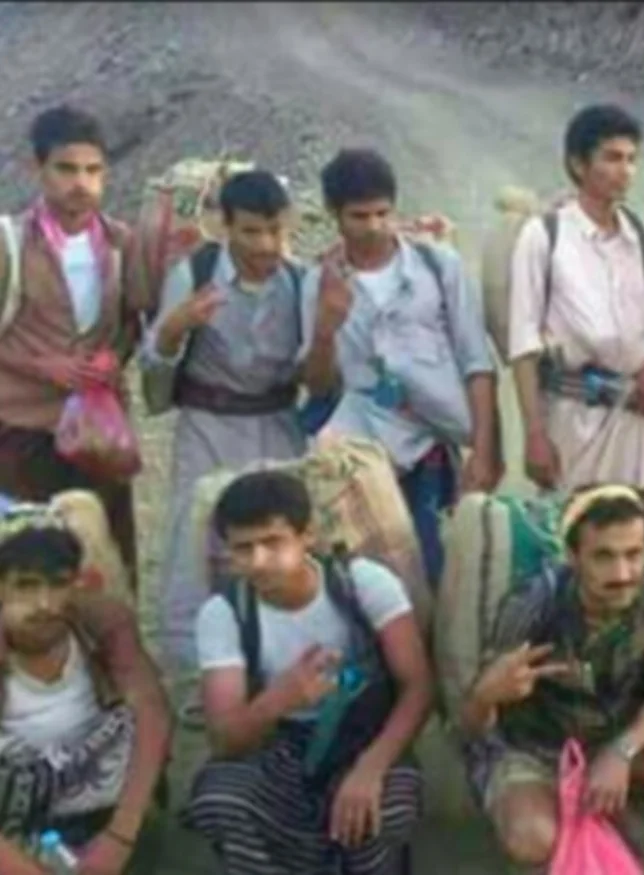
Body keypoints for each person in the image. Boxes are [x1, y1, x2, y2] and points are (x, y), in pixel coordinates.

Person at [182, 471, 432, 875]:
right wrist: (280, 700)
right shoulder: (224, 613)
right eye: (243, 548)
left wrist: (370, 768)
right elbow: (224, 738)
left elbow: (418, 687)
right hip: (278, 745)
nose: (259, 561)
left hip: (364, 735)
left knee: (386, 808)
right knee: (219, 801)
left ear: (307, 536)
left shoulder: (362, 583)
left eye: (272, 542)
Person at [460, 484, 644, 868]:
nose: (622, 573)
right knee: (532, 840)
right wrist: (487, 696)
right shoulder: (533, 604)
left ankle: (600, 799)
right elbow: (473, 725)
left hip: (605, 738)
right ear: (573, 556)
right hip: (531, 748)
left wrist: (620, 753)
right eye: (604, 557)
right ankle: (570, 803)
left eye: (633, 554)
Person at [301, 148, 502, 588]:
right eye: (358, 216)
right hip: (361, 456)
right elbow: (318, 386)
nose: (373, 227)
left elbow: (476, 361)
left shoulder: (437, 265)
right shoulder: (319, 282)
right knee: (363, 578)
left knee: (438, 571)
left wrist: (485, 452)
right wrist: (324, 329)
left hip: (430, 446)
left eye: (382, 213)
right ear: (333, 213)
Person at [144, 169, 311, 677]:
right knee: (195, 541)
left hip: (278, 424)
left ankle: (277, 661)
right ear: (226, 227)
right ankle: (196, 674)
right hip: (207, 424)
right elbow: (154, 362)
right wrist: (175, 329)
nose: (266, 245)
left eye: (277, 231)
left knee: (278, 541)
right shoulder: (195, 274)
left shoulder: (301, 281)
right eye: (252, 232)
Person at [507, 105, 644, 515]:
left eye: (631, 159)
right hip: (575, 421)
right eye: (611, 158)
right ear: (578, 164)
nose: (625, 171)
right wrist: (535, 435)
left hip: (642, 420)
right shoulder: (544, 236)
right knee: (578, 534)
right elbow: (523, 346)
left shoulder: (640, 234)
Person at [0, 106, 146, 579]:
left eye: (92, 170)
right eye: (66, 169)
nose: (80, 183)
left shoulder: (124, 244)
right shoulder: (9, 243)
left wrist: (115, 356)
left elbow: (132, 325)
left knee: (108, 561)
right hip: (25, 433)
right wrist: (40, 365)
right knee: (26, 566)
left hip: (101, 439)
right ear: (37, 169)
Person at [0, 511, 172, 875]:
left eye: (57, 584)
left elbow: (151, 714)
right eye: (26, 585)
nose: (44, 604)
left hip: (95, 801)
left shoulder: (100, 623)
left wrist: (119, 839)